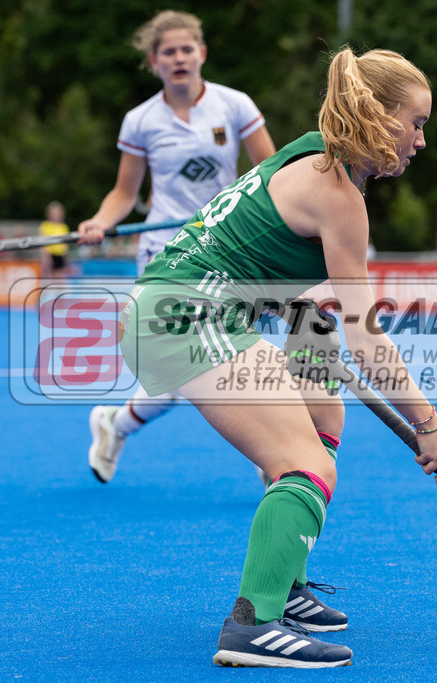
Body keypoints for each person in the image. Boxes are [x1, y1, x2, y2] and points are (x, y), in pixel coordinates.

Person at [105, 46, 437, 667]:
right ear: (377, 116)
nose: (420, 140)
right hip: (185, 316)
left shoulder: (310, 152)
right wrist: (430, 426)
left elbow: (266, 262)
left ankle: (286, 579)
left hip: (186, 306)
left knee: (325, 420)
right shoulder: (340, 197)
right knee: (305, 463)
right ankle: (253, 624)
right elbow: (368, 337)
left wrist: (307, 320)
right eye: (417, 122)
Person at [78, 10, 276, 484]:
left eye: (187, 49)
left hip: (230, 248)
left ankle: (116, 422)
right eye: (169, 52)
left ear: (202, 54)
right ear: (154, 62)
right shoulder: (140, 120)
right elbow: (125, 193)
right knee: (192, 365)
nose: (179, 58)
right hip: (166, 254)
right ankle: (275, 456)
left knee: (235, 356)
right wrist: (100, 222)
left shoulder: (234, 105)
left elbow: (272, 173)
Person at [39, 201, 70, 279]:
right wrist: (46, 258)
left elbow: (65, 245)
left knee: (60, 278)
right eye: (53, 213)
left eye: (57, 212)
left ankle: (59, 291)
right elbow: (43, 244)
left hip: (60, 256)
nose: (56, 215)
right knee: (49, 278)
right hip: (49, 255)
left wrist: (65, 258)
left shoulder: (64, 227)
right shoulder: (45, 226)